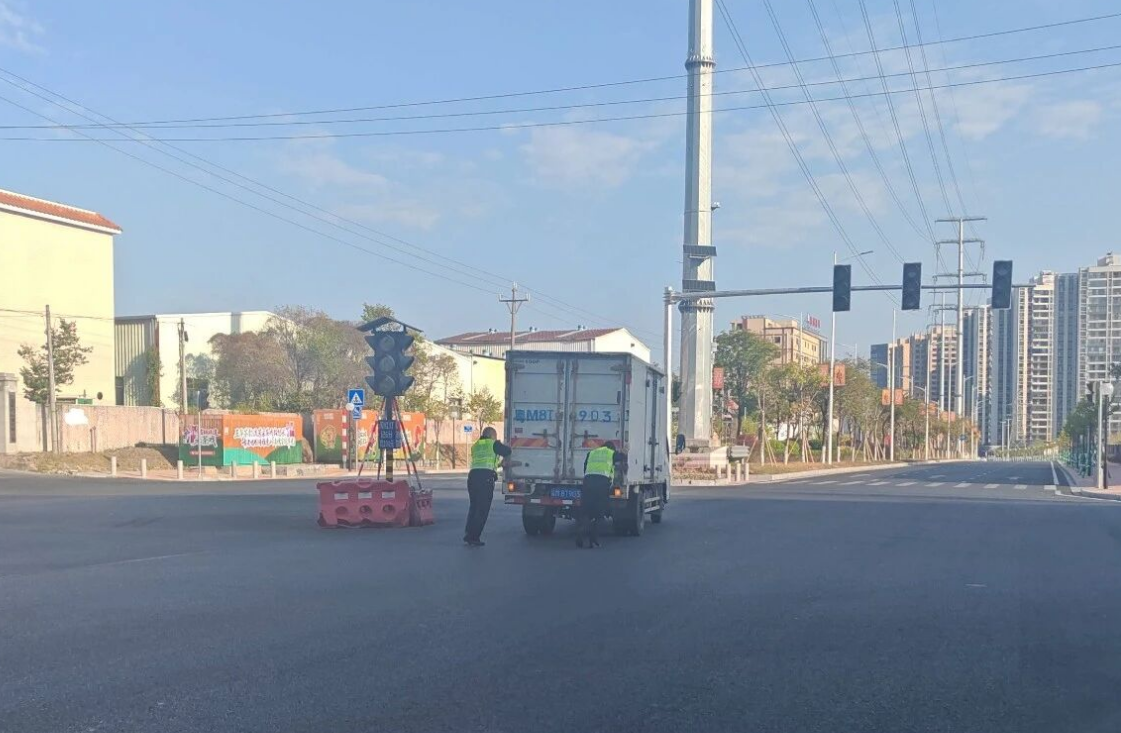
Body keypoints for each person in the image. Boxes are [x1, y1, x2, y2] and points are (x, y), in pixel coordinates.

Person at [464, 426, 511, 547]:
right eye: (495, 437)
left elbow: (486, 460)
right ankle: (474, 537)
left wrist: (498, 464)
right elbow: (507, 451)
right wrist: (501, 444)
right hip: (485, 479)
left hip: (472, 477)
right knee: (482, 509)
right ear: (491, 436)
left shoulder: (475, 445)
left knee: (474, 507)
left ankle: (468, 534)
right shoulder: (493, 444)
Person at [577, 440, 627, 549]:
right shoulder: (611, 453)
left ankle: (581, 532)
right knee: (599, 514)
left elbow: (585, 468)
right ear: (612, 448)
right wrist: (624, 452)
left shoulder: (591, 453)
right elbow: (622, 458)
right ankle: (593, 539)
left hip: (587, 483)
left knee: (585, 511)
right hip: (602, 485)